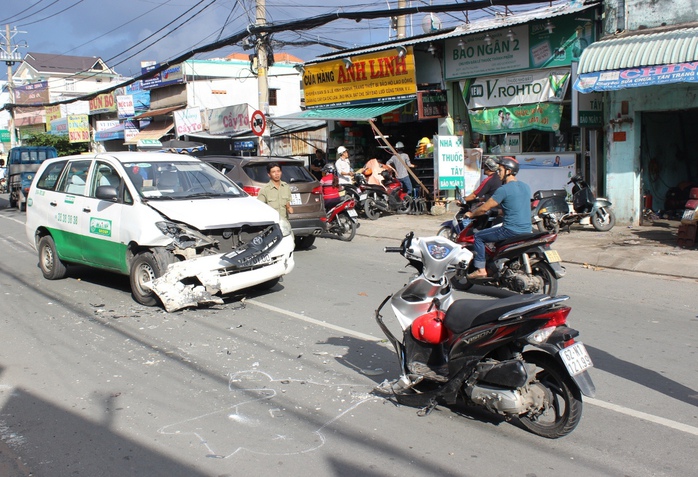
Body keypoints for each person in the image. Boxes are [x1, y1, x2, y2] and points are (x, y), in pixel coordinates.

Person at [464, 157, 531, 279]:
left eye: (500, 170)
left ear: (508, 171)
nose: (498, 173)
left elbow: (484, 208)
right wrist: (500, 212)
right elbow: (515, 207)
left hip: (510, 230)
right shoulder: (525, 186)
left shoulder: (503, 189)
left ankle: (481, 269)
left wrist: (471, 214)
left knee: (478, 236)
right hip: (527, 230)